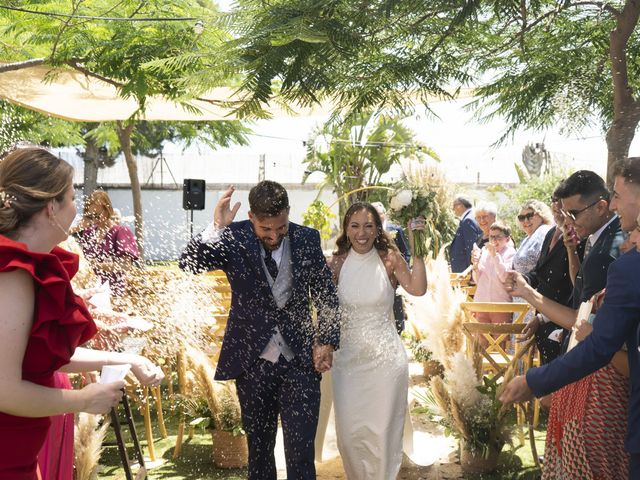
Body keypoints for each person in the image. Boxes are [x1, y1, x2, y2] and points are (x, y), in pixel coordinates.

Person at [0, 147, 164, 479]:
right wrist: (82, 400)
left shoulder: (22, 270)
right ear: (51, 208)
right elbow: (5, 389)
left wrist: (123, 361)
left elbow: (41, 355)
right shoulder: (14, 275)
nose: (77, 210)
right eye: (72, 198)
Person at [179, 181, 341, 480]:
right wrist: (216, 226)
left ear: (288, 214)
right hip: (252, 366)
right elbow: (188, 263)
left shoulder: (307, 238)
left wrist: (326, 340)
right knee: (260, 454)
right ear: (252, 216)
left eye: (280, 228)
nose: (274, 235)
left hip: (301, 366)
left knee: (301, 455)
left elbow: (326, 296)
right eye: (266, 229)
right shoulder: (233, 237)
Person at [500, 160, 640, 479]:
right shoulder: (596, 242)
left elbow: (598, 339)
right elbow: (584, 297)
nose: (616, 203)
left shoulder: (619, 255)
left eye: (618, 195)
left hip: (603, 381)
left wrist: (534, 380)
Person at [327, 203, 427, 480]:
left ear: (378, 229)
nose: (362, 233)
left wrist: (418, 248)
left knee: (383, 436)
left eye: (369, 226)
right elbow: (322, 309)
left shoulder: (390, 259)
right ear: (346, 229)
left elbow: (418, 288)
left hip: (385, 362)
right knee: (349, 437)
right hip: (347, 364)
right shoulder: (335, 263)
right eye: (355, 226)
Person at [522, 185, 585, 364]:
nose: (556, 205)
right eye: (553, 200)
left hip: (561, 325)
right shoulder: (551, 233)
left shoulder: (581, 236)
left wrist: (543, 318)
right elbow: (542, 271)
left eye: (560, 201)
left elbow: (577, 286)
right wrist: (525, 279)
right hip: (542, 321)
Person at [73, 190, 140, 299]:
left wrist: (96, 264)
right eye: (91, 216)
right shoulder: (89, 232)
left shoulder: (121, 232)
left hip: (112, 294)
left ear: (108, 210)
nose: (94, 219)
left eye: (97, 215)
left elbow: (125, 266)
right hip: (90, 291)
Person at [372, 201, 411, 333]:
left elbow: (406, 252)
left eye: (379, 213)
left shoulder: (395, 229)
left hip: (394, 276)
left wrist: (401, 271)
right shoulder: (367, 230)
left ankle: (399, 329)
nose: (377, 216)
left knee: (396, 302)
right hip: (375, 276)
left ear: (384, 214)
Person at [471, 222, 516, 325]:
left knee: (500, 340)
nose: (494, 240)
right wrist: (475, 266)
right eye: (492, 237)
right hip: (481, 304)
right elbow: (477, 280)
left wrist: (495, 256)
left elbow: (505, 278)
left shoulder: (511, 253)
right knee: (480, 339)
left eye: (499, 237)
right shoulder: (484, 251)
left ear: (507, 239)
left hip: (501, 305)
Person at [449, 195, 481, 273]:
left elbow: (471, 246)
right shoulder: (471, 216)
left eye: (454, 206)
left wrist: (470, 271)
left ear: (461, 205)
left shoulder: (468, 220)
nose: (453, 209)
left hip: (464, 269)